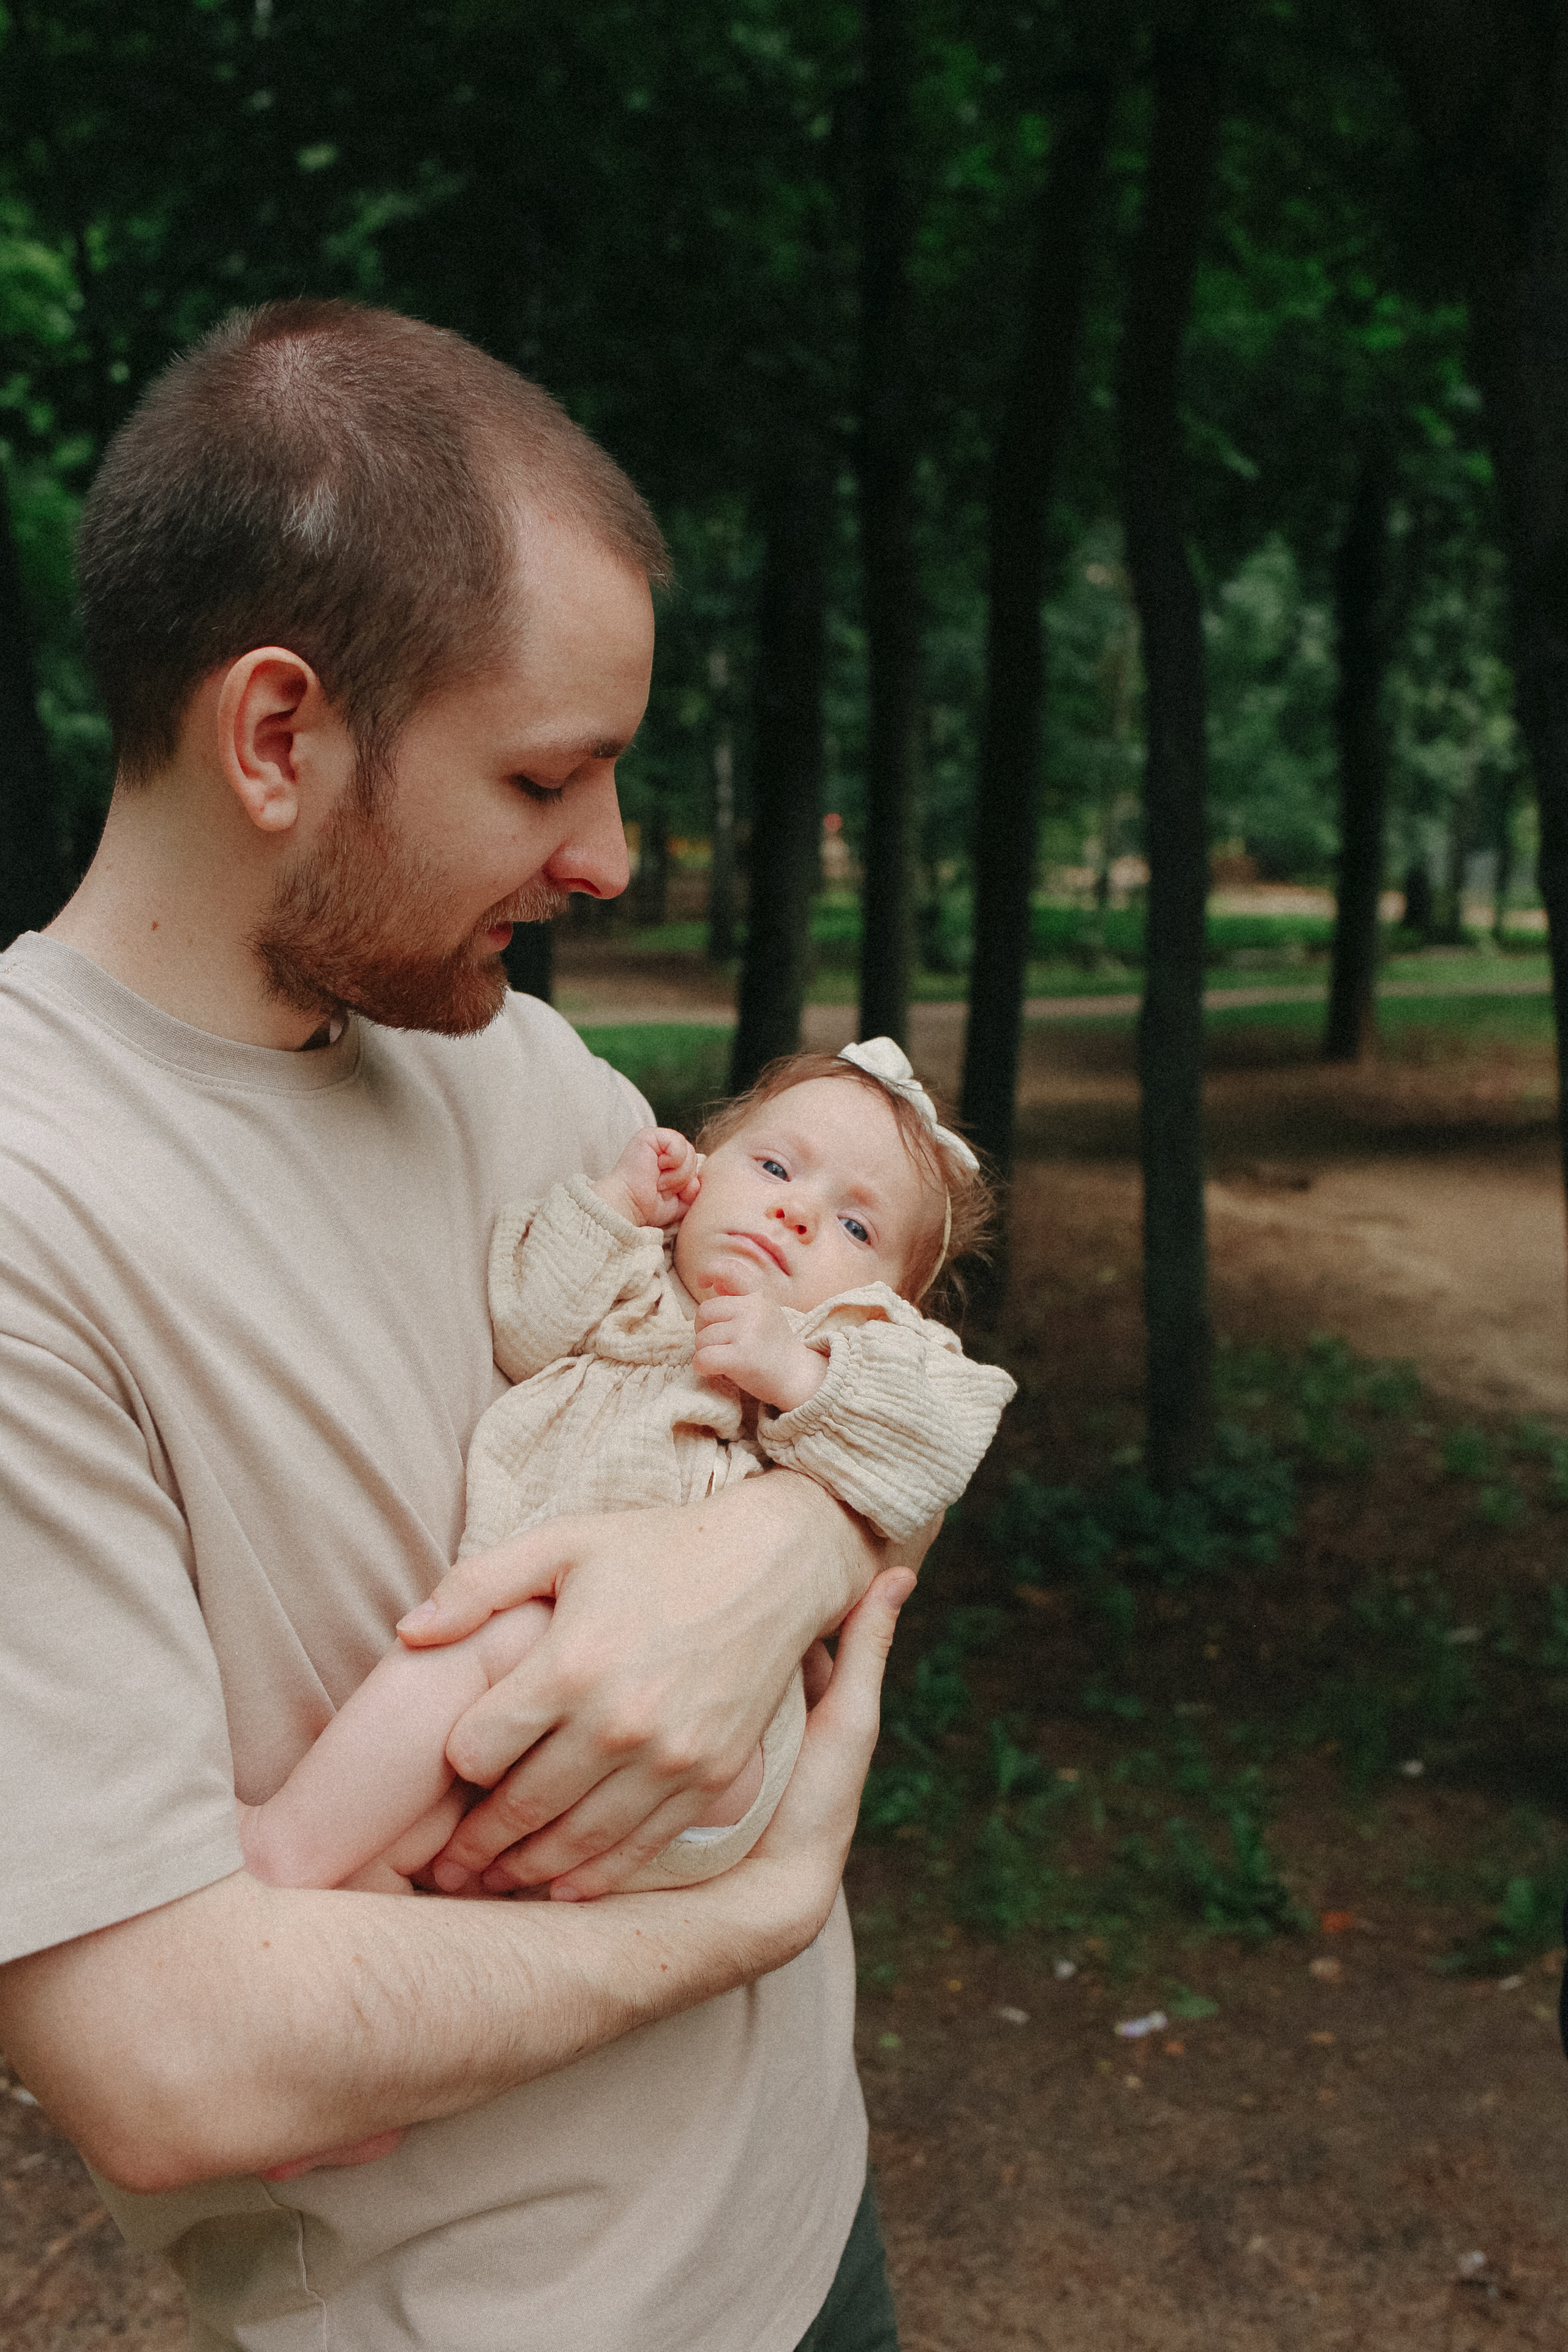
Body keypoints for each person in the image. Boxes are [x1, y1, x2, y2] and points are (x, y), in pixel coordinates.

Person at [0, 300, 925, 2352]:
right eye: (541, 779)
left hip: (809, 2216)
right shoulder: (28, 1211)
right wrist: (754, 1914)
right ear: (276, 737)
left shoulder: (535, 1083)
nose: (601, 860)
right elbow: (171, 2068)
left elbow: (851, 1392)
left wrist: (784, 1550)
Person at [239, 1044, 1016, 1907]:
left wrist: (800, 1374)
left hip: (713, 1738)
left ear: (893, 1300)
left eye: (857, 1228)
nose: (798, 1211)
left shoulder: (845, 1349)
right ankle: (352, 1895)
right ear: (703, 1165)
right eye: (773, 1166)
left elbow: (935, 1447)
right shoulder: (636, 1280)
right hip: (553, 1724)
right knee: (421, 1826)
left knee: (475, 1649)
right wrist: (617, 1203)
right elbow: (527, 1329)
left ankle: (279, 1847)